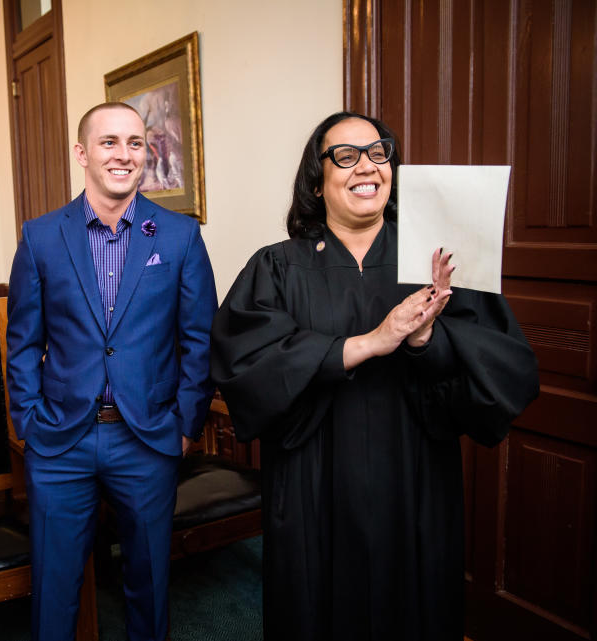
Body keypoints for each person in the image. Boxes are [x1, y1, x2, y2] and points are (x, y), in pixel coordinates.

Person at [210, 111, 539, 641]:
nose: (366, 165)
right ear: (317, 181)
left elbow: (503, 369)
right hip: (314, 480)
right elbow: (245, 364)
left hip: (413, 478)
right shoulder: (277, 267)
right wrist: (367, 344)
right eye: (345, 155)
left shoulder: (439, 262)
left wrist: (426, 339)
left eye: (378, 152)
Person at [7, 102, 217, 641]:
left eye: (134, 143)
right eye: (108, 142)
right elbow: (23, 342)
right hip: (60, 440)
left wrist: (186, 424)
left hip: (146, 438)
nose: (123, 155)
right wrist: (29, 420)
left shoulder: (178, 237)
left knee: (149, 583)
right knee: (54, 588)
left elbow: (198, 339)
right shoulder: (40, 237)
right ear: (82, 152)